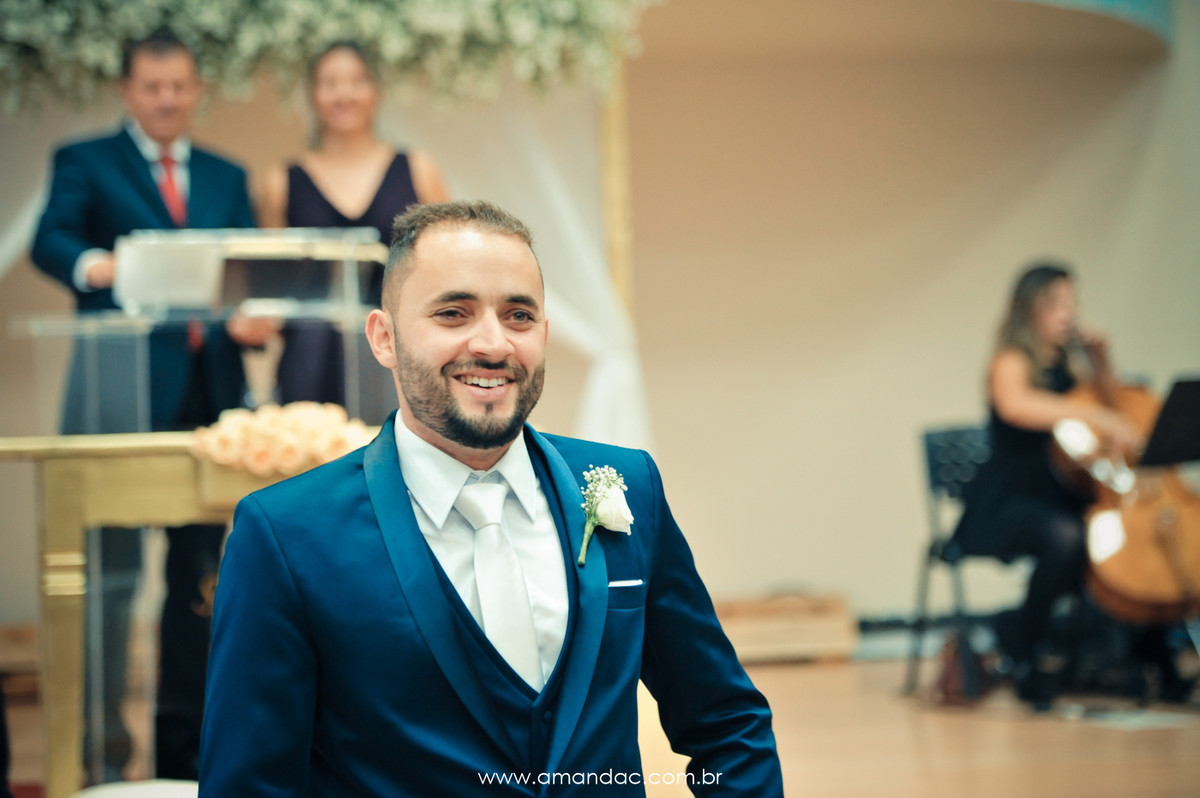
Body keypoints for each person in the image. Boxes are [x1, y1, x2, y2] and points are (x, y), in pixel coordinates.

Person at [199, 201, 784, 795]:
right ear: (384, 338)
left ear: (543, 335)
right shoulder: (286, 535)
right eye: (453, 313)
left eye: (519, 316)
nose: (493, 344)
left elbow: (726, 724)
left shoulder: (626, 486)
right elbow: (249, 785)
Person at [30, 29, 266, 780]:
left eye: (178, 86)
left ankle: (186, 759)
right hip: (118, 396)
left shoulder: (228, 176)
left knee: (200, 587)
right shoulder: (85, 161)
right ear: (127, 91)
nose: (167, 99)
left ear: (197, 91)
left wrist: (250, 315)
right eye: (152, 87)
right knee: (111, 579)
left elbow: (245, 276)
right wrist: (96, 265)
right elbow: (50, 239)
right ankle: (101, 760)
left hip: (213, 403)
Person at [948, 261, 1183, 709]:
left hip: (1063, 493)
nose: (1068, 313)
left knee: (1135, 538)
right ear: (1029, 308)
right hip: (1009, 499)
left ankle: (1151, 653)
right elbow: (1016, 406)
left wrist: (1102, 363)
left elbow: (1116, 409)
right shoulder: (1011, 361)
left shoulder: (1071, 365)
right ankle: (1023, 645)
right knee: (1067, 539)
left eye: (1072, 303)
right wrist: (1092, 414)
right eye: (1056, 303)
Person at [258, 41, 449, 416]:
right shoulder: (280, 181)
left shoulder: (418, 169)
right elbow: (271, 286)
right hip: (308, 359)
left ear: (376, 91)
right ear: (312, 95)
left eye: (357, 81)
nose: (344, 94)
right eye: (330, 83)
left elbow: (446, 267)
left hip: (400, 355)